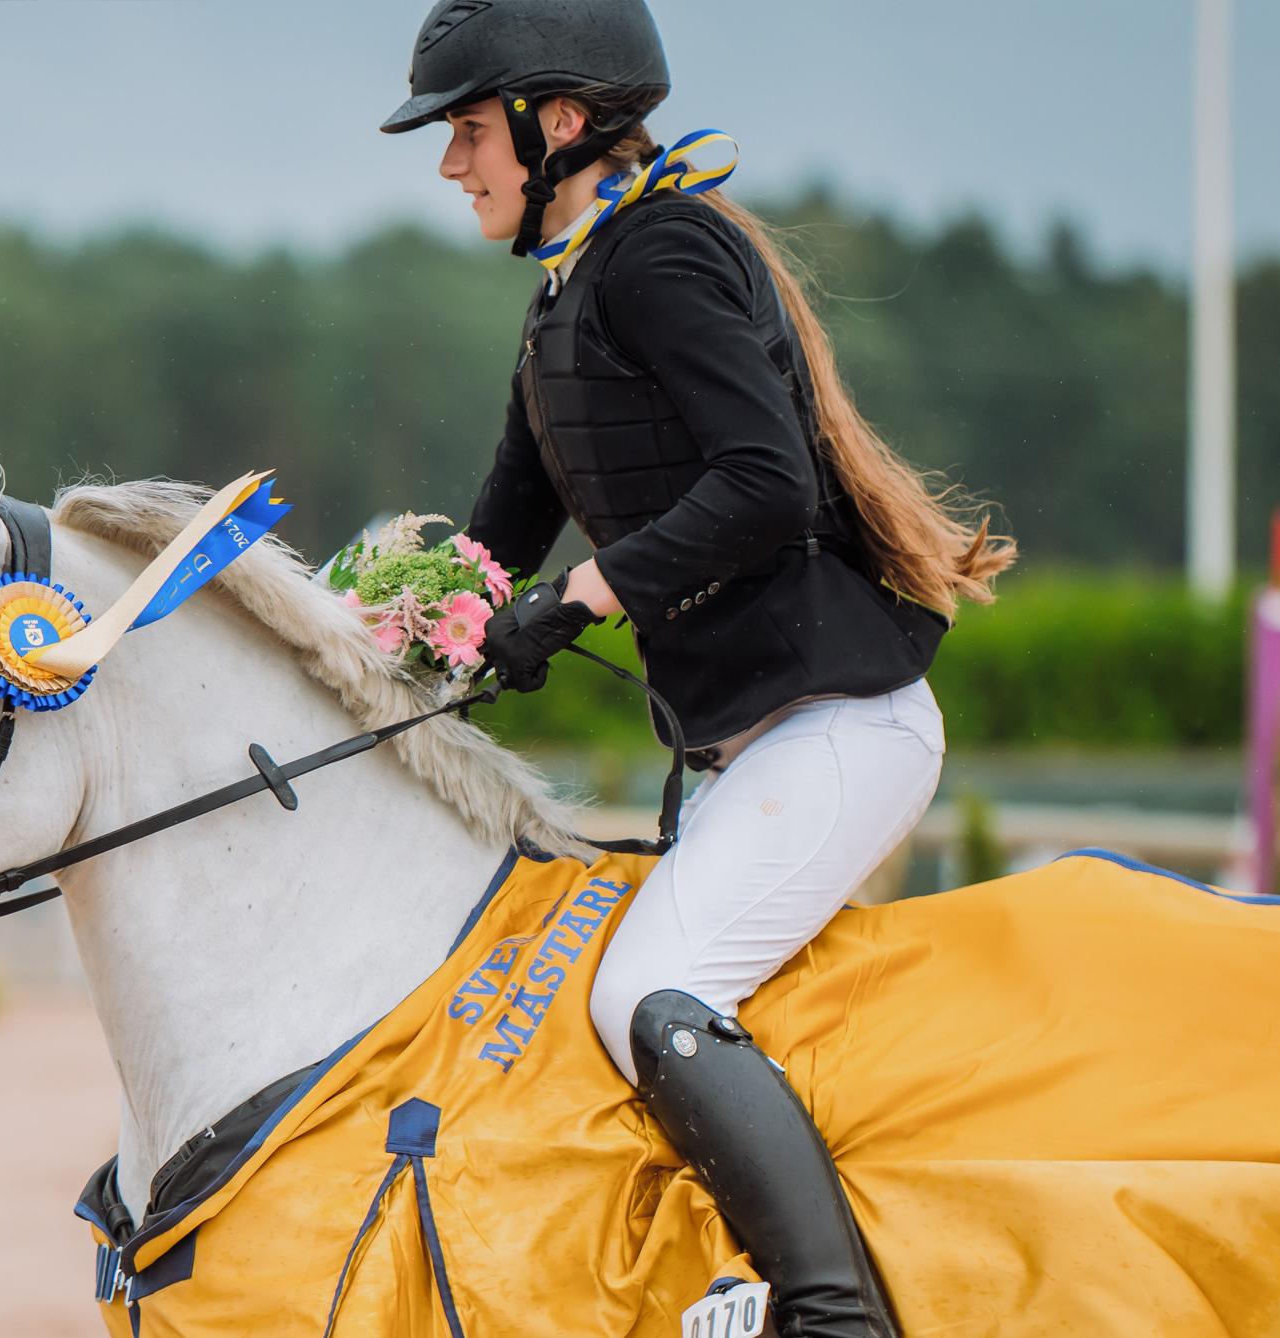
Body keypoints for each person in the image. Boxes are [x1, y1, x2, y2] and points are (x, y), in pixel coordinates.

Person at [381, 2, 1017, 1334]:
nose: (451, 163)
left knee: (645, 994)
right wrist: (384, 627)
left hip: (838, 729)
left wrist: (584, 597)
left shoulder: (661, 256)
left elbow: (766, 482)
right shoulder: (566, 293)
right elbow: (500, 535)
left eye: (466, 129)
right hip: (746, 747)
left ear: (559, 125)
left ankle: (828, 1308)